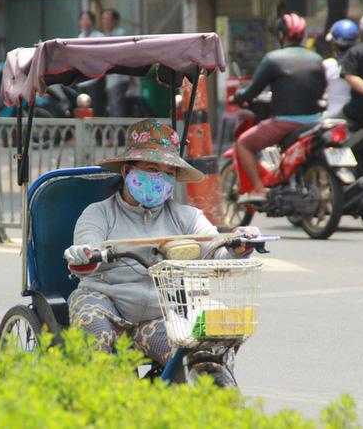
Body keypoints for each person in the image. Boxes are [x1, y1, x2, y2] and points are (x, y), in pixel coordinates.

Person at [64, 119, 260, 366]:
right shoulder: (99, 213)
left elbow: (214, 248)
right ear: (127, 171)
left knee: (206, 351)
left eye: (168, 174)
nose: (160, 179)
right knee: (92, 327)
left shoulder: (187, 217)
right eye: (152, 169)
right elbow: (87, 246)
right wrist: (84, 254)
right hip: (106, 303)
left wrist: (237, 246)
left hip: (161, 315)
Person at [228, 13, 326, 202]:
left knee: (243, 143)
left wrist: (237, 97)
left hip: (285, 122)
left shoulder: (273, 59)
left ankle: (258, 190)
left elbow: (253, 91)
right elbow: (320, 89)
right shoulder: (317, 58)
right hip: (315, 121)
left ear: (282, 35)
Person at [322, 19, 359, 118]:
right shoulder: (362, 63)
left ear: (333, 43)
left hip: (331, 118)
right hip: (357, 118)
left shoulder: (326, 65)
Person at [101, 8, 131, 118]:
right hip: (110, 78)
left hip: (118, 78)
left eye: (107, 18)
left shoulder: (120, 34)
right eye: (103, 18)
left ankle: (117, 133)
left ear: (115, 21)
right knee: (112, 107)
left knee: (117, 108)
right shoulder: (105, 35)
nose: (104, 21)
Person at [77, 11, 107, 117]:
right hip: (82, 78)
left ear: (93, 22)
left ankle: (97, 132)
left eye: (88, 19)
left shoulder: (100, 37)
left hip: (96, 77)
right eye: (83, 19)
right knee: (82, 106)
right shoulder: (79, 38)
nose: (85, 22)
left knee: (96, 107)